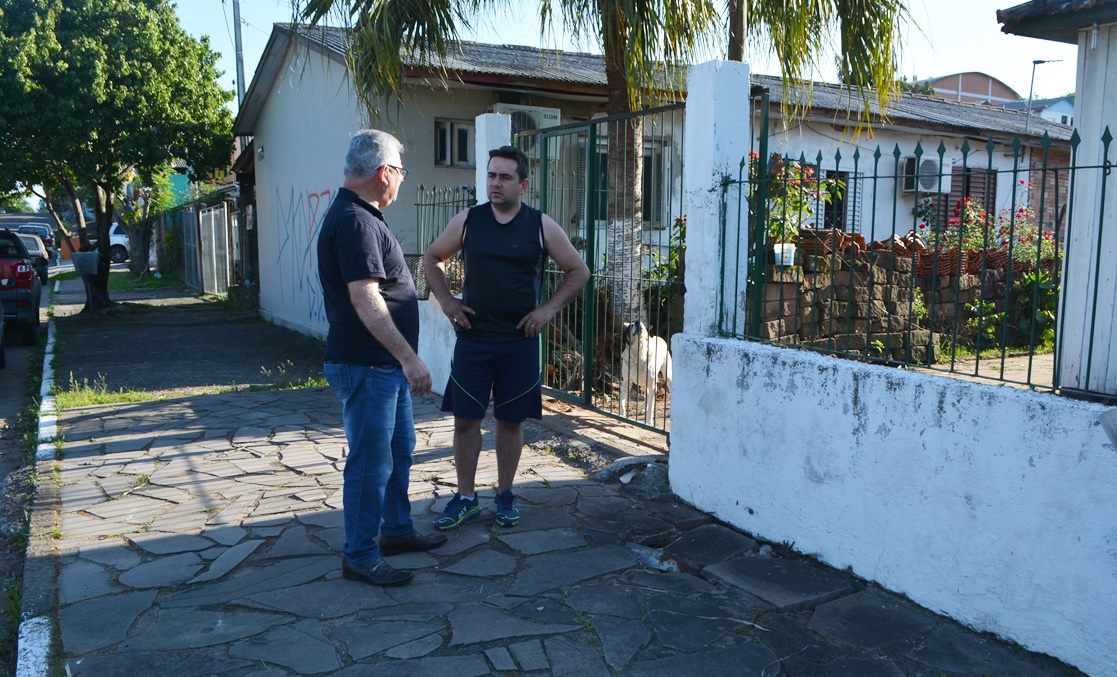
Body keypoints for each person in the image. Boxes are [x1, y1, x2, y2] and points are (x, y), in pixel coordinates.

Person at [423, 145, 591, 530]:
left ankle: (504, 494)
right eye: (491, 175)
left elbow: (578, 271)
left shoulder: (540, 225)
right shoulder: (468, 221)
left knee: (510, 422)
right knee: (465, 421)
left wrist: (548, 309)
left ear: (524, 184)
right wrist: (448, 302)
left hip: (518, 341)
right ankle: (465, 497)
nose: (495, 183)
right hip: (474, 339)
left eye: (505, 177)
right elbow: (432, 258)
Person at [317, 129, 446, 587]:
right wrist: (410, 359)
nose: (401, 182)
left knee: (396, 452)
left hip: (381, 366)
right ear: (383, 173)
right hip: (370, 365)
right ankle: (360, 556)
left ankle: (394, 530)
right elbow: (366, 299)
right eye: (401, 172)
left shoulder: (362, 215)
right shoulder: (356, 221)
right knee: (371, 464)